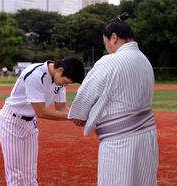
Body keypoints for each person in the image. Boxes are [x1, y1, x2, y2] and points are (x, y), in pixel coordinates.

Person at [68, 12, 158, 186]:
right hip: (147, 134)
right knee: (144, 181)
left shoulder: (110, 61)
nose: (107, 47)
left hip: (119, 140)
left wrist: (79, 115)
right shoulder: (144, 60)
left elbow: (86, 93)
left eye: (106, 42)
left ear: (114, 37)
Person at [0, 57, 84, 186]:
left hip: (30, 123)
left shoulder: (58, 81)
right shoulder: (35, 74)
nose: (66, 85)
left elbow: (62, 108)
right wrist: (73, 117)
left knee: (30, 174)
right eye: (66, 81)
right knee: (15, 175)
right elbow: (41, 112)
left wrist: (81, 115)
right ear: (60, 70)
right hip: (11, 121)